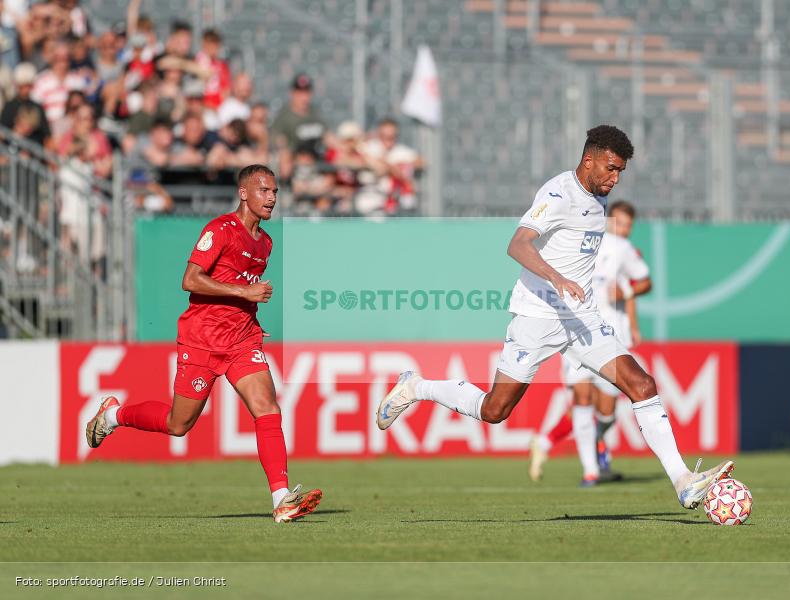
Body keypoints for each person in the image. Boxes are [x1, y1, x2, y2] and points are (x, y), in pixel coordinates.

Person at [377, 125, 733, 510]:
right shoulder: (558, 193)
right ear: (588, 161)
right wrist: (557, 277)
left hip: (581, 318)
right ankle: (416, 387)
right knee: (495, 410)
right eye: (611, 169)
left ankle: (683, 481)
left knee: (641, 384)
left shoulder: (599, 199)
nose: (615, 179)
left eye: (620, 172)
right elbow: (517, 244)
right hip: (537, 316)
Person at [85, 164, 323, 523]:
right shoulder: (220, 230)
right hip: (202, 341)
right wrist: (246, 292)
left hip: (242, 340)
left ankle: (281, 499)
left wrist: (250, 315)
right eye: (264, 191)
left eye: (275, 191)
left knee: (267, 408)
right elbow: (191, 279)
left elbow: (241, 292)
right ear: (244, 193)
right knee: (178, 425)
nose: (272, 198)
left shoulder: (265, 242)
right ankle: (113, 415)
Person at [529, 200, 652, 485]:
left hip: (609, 336)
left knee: (607, 410)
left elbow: (642, 283)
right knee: (581, 400)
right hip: (574, 332)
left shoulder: (620, 248)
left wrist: (629, 312)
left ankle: (559, 445)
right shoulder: (567, 242)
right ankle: (591, 471)